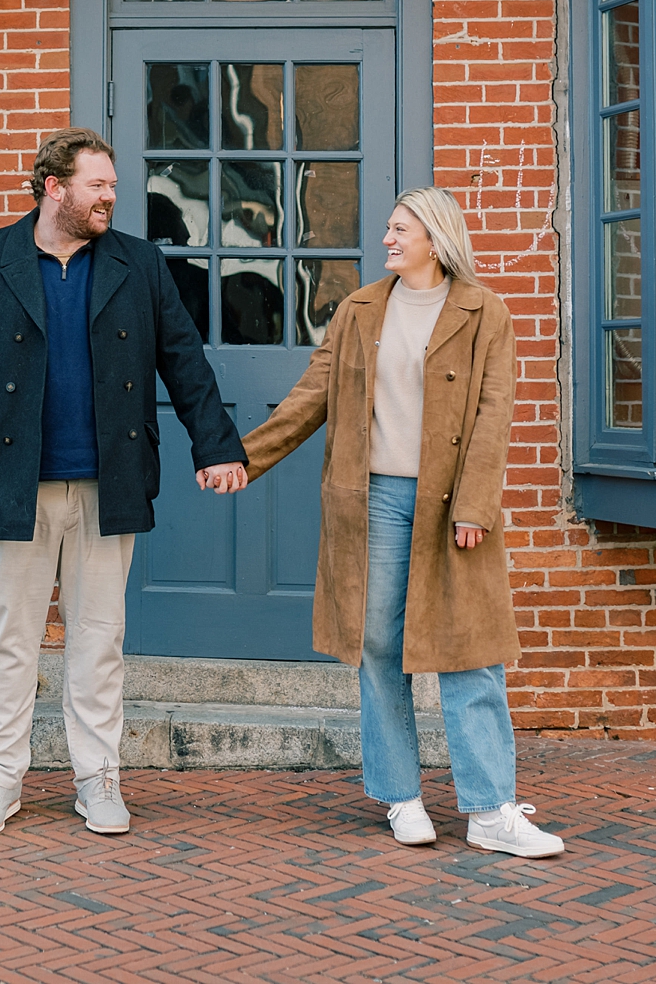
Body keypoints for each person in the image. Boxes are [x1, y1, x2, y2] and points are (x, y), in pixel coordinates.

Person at [0, 127, 249, 839]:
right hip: (10, 480)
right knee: (9, 642)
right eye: (98, 185)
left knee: (99, 639)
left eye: (113, 185)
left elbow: (183, 360)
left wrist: (217, 444)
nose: (111, 196)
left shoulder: (137, 262)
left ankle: (98, 777)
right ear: (54, 187)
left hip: (108, 482)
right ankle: (0, 779)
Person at [239, 187, 563, 859]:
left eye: (399, 229)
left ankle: (491, 810)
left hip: (451, 507)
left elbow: (493, 415)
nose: (387, 238)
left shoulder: (484, 313)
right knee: (381, 646)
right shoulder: (361, 310)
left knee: (471, 650)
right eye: (388, 227)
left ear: (435, 240)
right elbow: (311, 395)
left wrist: (475, 504)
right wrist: (241, 460)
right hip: (376, 500)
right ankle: (400, 796)